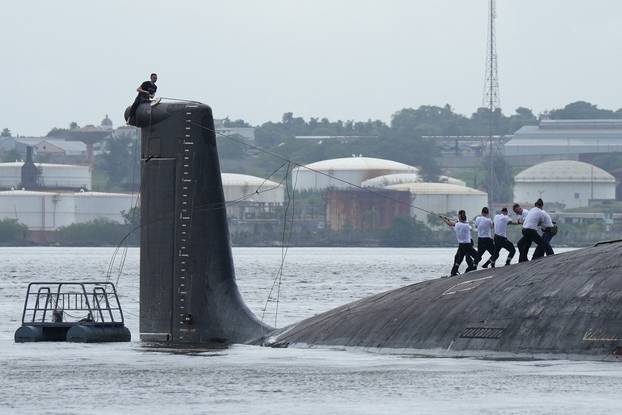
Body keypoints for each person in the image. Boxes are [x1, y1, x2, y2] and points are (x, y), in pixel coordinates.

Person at [442, 210, 479, 277]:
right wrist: (446, 219)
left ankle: (469, 268)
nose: (459, 216)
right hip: (466, 244)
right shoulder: (465, 225)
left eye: (459, 215)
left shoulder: (458, 224)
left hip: (465, 243)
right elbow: (471, 228)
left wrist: (445, 220)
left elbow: (452, 224)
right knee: (459, 258)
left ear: (460, 216)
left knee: (462, 258)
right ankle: (469, 268)